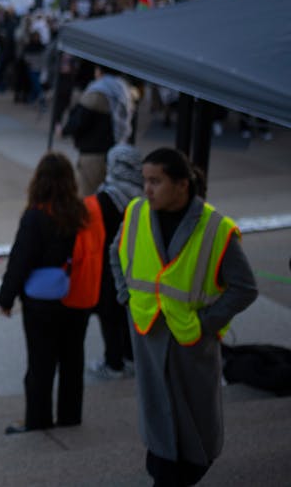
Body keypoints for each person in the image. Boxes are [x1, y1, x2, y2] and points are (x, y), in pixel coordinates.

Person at [112, 147, 258, 486]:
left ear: (182, 185)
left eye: (155, 181)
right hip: (149, 333)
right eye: (144, 181)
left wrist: (208, 323)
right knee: (157, 420)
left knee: (195, 422)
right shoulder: (136, 212)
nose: (146, 189)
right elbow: (115, 253)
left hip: (191, 341)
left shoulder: (215, 228)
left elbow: (245, 288)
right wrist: (126, 296)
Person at [0, 153, 94, 435]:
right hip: (76, 296)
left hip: (41, 302)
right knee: (73, 360)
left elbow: (20, 260)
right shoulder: (82, 212)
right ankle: (70, 415)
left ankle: (38, 419)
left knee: (40, 363)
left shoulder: (36, 215)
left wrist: (6, 298)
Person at [88, 144, 141, 381]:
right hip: (138, 263)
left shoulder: (107, 197)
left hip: (109, 265)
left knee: (109, 313)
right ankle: (131, 357)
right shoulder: (144, 194)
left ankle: (113, 363)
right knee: (128, 313)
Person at [60, 66, 132, 196]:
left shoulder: (99, 91)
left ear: (99, 71)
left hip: (93, 153)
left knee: (88, 197)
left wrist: (64, 131)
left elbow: (79, 120)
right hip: (116, 150)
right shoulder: (122, 89)